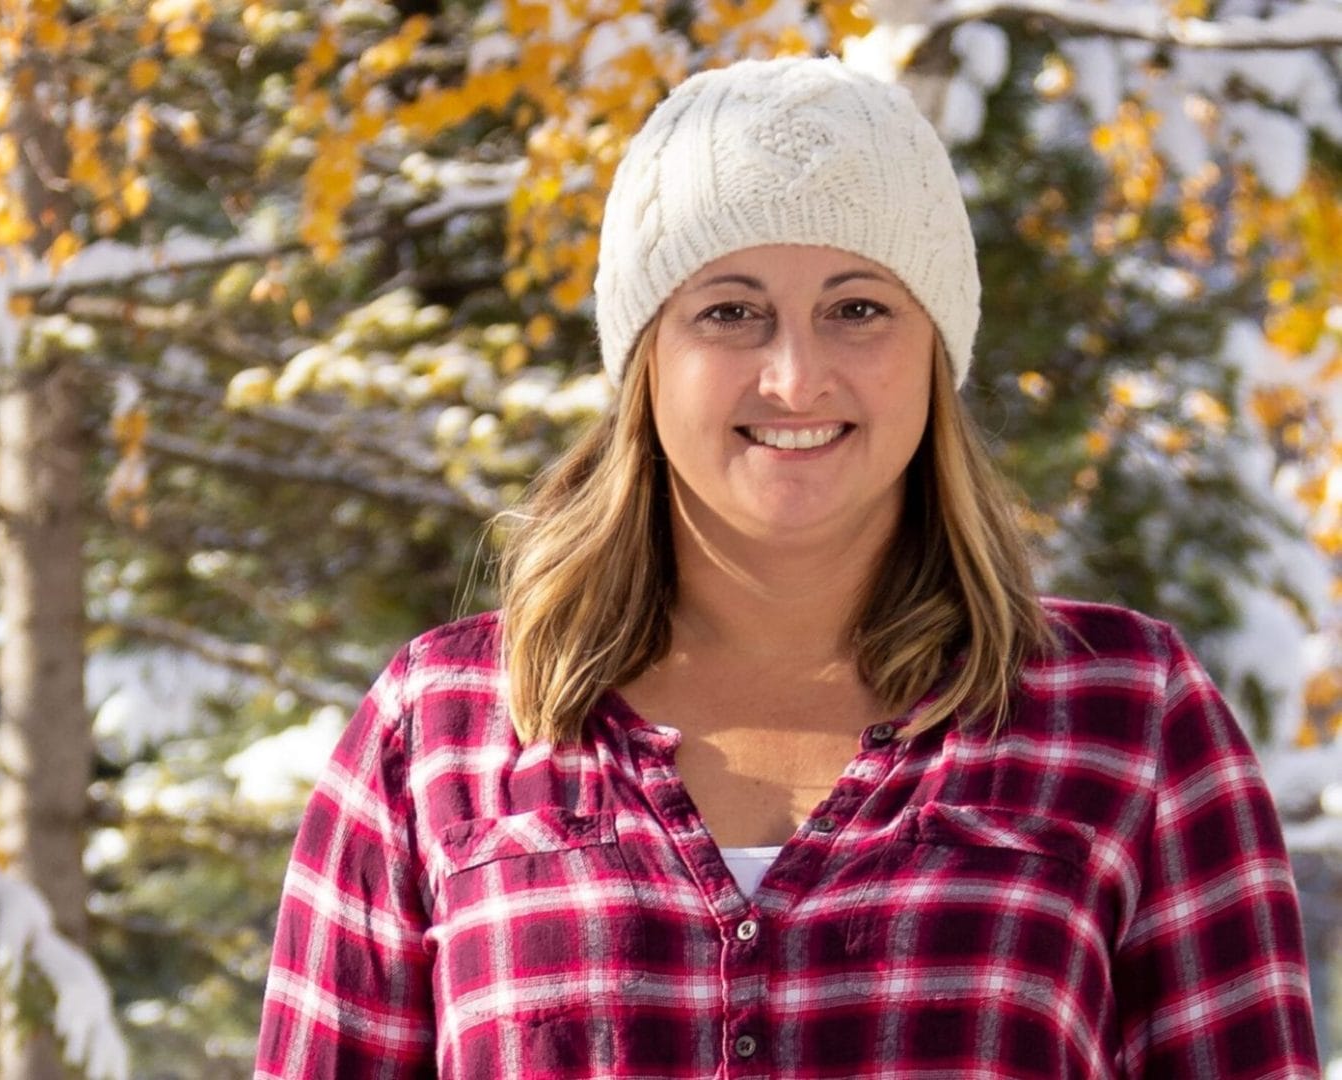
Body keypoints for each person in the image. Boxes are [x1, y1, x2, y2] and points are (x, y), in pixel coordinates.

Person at [253, 56, 1320, 1078]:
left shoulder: (1127, 716)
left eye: (859, 309)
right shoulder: (439, 731)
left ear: (934, 354)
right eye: (730, 311)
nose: (796, 375)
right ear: (646, 359)